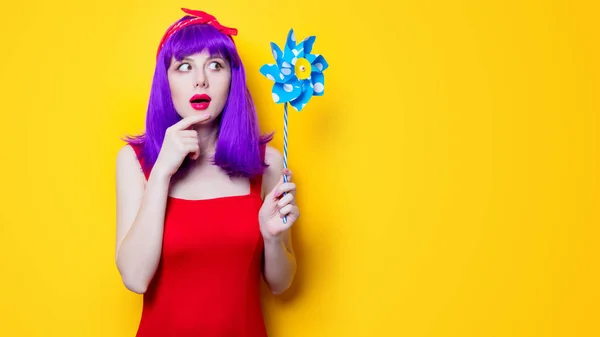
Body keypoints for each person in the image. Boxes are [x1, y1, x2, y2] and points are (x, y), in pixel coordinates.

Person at [115, 8, 299, 336]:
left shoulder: (268, 163)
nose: (201, 79)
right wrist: (161, 173)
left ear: (233, 78)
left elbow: (282, 284)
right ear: (165, 80)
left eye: (215, 65)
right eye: (184, 66)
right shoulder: (134, 162)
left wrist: (272, 239)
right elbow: (134, 278)